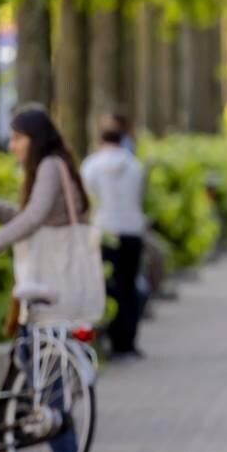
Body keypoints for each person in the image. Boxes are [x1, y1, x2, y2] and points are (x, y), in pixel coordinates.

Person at [0, 105, 89, 452]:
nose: (13, 145)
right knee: (39, 363)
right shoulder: (54, 165)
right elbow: (32, 214)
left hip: (49, 287)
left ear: (35, 138)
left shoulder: (49, 166)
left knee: (43, 370)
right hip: (53, 283)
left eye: (18, 138)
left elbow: (33, 219)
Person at [81, 115, 147, 358]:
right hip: (132, 230)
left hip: (104, 231)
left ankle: (109, 337)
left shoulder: (90, 166)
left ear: (100, 141)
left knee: (108, 287)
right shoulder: (135, 166)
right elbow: (139, 197)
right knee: (129, 286)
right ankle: (128, 341)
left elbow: (86, 200)